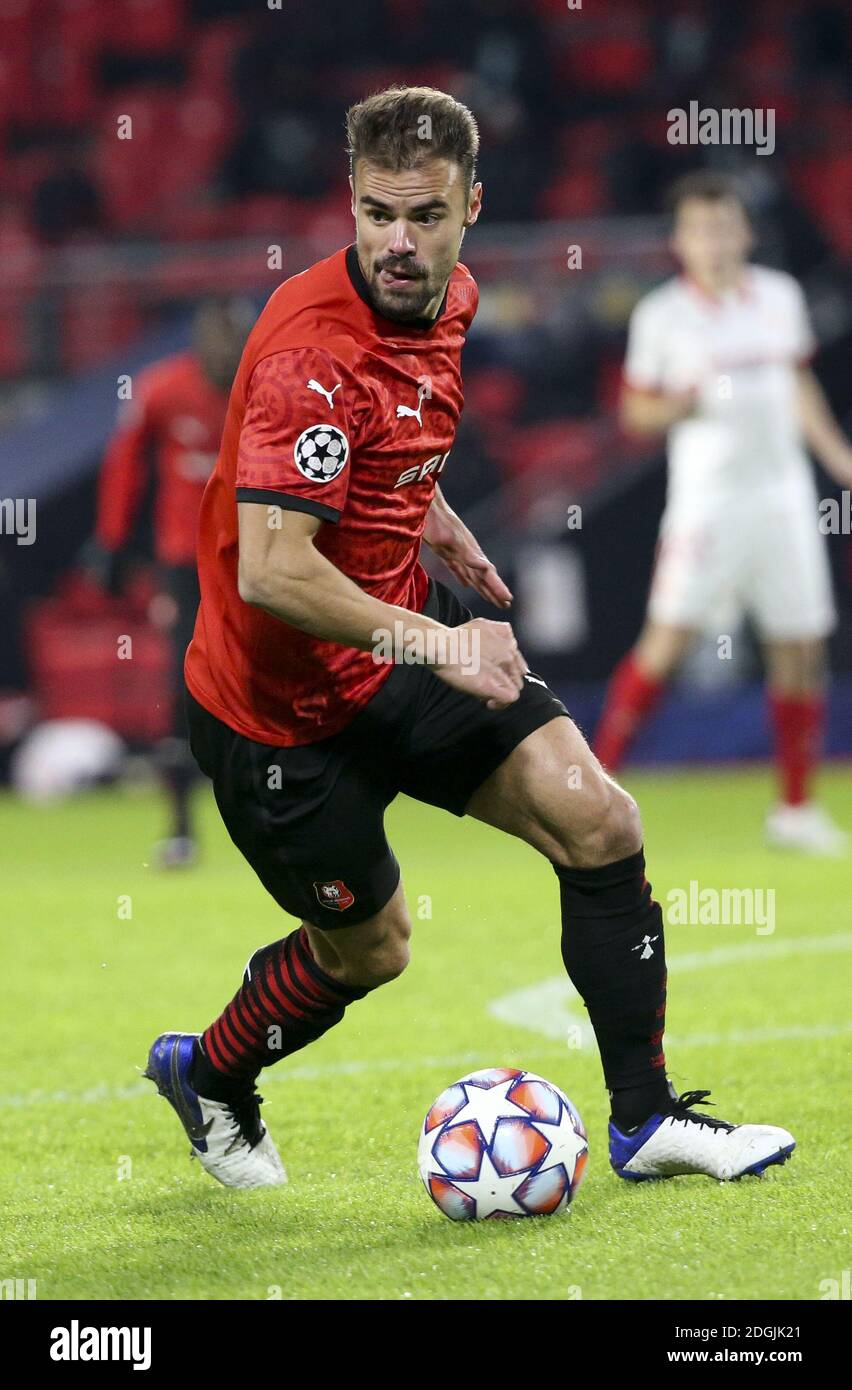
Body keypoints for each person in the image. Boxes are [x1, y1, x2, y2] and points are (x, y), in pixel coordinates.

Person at [145, 88, 794, 1193]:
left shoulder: (451, 300)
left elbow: (392, 445)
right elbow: (273, 568)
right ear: (349, 205)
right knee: (376, 949)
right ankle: (207, 1072)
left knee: (599, 819)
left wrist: (436, 523)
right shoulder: (311, 353)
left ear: (472, 208)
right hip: (277, 713)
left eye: (426, 217)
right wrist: (444, 646)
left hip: (399, 632)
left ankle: (643, 1122)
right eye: (376, 214)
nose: (399, 244)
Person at [594, 172, 852, 855]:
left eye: (724, 225)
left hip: (785, 498)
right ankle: (590, 794)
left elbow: (797, 383)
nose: (714, 239)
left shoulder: (778, 297)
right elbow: (636, 411)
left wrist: (838, 456)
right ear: (680, 241)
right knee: (667, 643)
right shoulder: (662, 317)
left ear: (745, 231)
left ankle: (795, 810)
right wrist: (683, 401)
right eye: (700, 228)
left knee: (800, 646)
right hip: (708, 506)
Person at [85, 298, 253, 865]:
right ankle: (181, 827)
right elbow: (124, 466)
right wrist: (111, 542)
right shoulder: (161, 390)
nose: (224, 360)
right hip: (187, 564)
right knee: (184, 690)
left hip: (259, 559)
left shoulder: (267, 392)